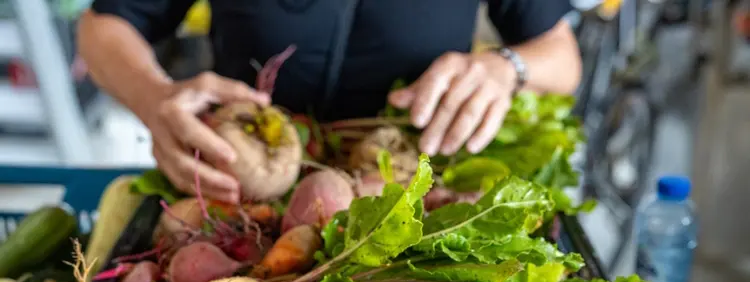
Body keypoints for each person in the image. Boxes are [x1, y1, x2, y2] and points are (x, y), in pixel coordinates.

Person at [78, 0, 581, 203]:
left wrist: (505, 68)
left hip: (408, 192)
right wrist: (154, 96)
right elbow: (104, 24)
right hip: (241, 189)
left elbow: (561, 54)